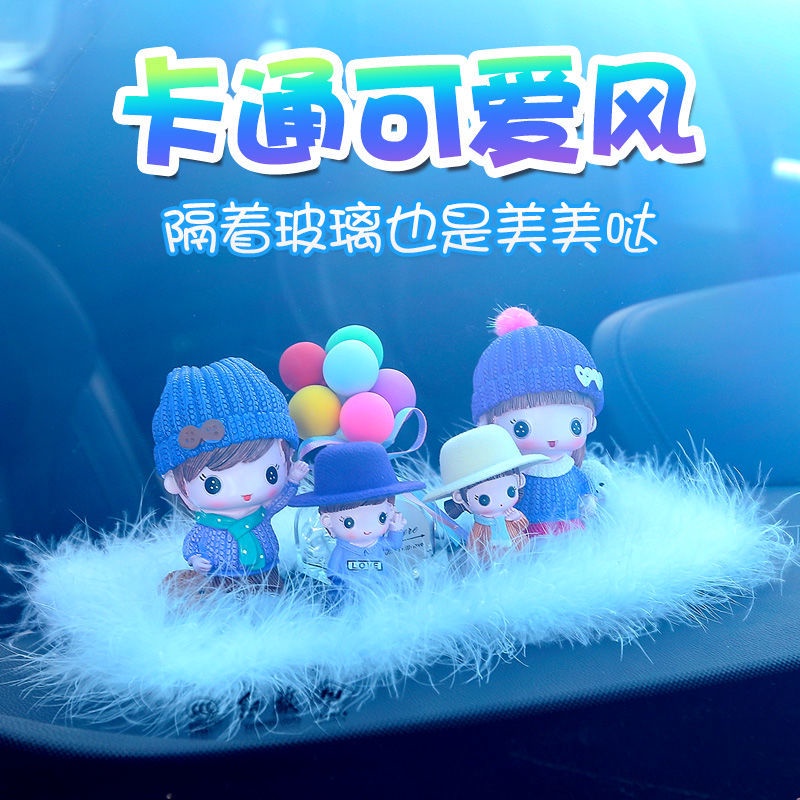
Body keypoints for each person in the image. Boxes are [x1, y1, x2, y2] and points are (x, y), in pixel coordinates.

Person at [152, 357, 309, 593]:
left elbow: (279, 501)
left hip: (267, 571)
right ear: (176, 484)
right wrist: (195, 559)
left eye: (270, 473)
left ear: (286, 456)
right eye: (213, 484)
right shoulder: (206, 527)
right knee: (227, 598)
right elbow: (191, 545)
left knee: (274, 593)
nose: (245, 492)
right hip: (222, 577)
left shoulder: (260, 514)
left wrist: (293, 480)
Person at [470, 307, 604, 536]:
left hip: (572, 528)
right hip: (525, 532)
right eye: (522, 427)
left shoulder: (571, 470)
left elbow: (584, 490)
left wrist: (589, 501)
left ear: (590, 423)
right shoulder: (513, 475)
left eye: (574, 425)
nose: (552, 438)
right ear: (487, 426)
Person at [289, 441, 424, 591]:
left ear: (390, 511)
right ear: (327, 521)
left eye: (381, 518)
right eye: (349, 522)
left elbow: (394, 544)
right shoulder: (342, 550)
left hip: (381, 586)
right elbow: (333, 572)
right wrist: (339, 583)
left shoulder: (378, 544)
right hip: (349, 589)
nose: (367, 529)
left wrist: (396, 529)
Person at [425, 425, 546, 563]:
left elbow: (523, 526)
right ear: (460, 498)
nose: (501, 502)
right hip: (491, 557)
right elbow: (474, 543)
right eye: (484, 499)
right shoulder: (481, 525)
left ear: (519, 481)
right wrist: (474, 555)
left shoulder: (510, 513)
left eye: (510, 491)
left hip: (519, 550)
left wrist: (517, 517)